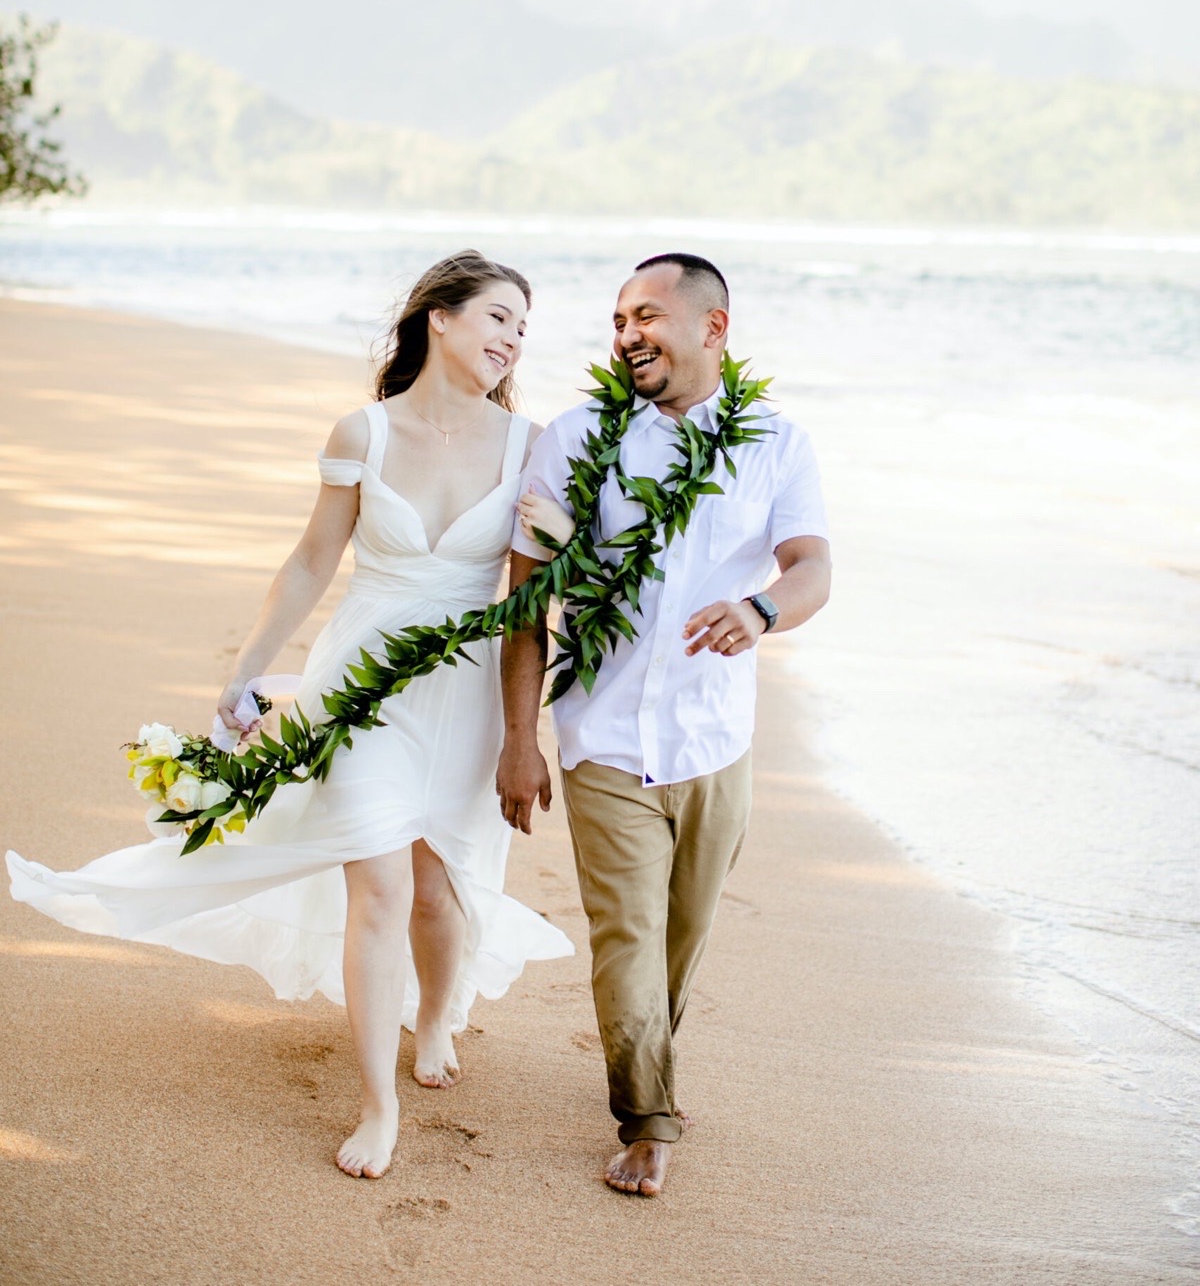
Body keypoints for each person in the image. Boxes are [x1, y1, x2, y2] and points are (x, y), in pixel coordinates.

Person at [8, 250, 574, 1182]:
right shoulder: (365, 431)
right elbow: (313, 561)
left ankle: (435, 1014)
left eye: (524, 327)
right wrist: (247, 674)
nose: (513, 340)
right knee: (381, 886)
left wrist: (526, 734)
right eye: (499, 317)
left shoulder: (531, 446)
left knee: (438, 889)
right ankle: (378, 1103)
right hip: (361, 689)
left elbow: (532, 600)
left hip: (462, 691)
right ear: (440, 317)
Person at [497, 252, 831, 1197]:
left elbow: (813, 566)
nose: (627, 335)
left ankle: (647, 1057)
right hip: (602, 737)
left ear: (713, 328)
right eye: (616, 320)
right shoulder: (574, 439)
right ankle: (647, 1119)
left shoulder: (775, 441)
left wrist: (762, 611)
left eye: (646, 315)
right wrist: (520, 740)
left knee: (681, 936)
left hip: (716, 742)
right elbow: (525, 603)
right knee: (628, 937)